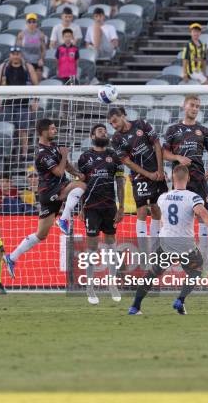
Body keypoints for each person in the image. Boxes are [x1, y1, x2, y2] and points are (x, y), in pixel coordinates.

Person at [128, 165, 208, 315]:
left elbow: (161, 220)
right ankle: (180, 300)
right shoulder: (193, 197)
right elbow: (204, 214)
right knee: (197, 270)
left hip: (166, 241)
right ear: (188, 178)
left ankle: (135, 307)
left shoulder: (162, 197)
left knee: (152, 274)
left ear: (173, 178)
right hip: (184, 242)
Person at [3, 119, 86, 277]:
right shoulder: (41, 153)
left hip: (55, 191)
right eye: (52, 129)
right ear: (43, 132)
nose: (55, 131)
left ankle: (11, 257)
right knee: (81, 186)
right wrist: (64, 155)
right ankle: (63, 219)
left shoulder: (53, 147)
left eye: (56, 128)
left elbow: (66, 166)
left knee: (41, 234)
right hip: (50, 191)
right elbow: (59, 172)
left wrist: (77, 173)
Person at [163, 95, 208, 276]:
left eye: (198, 106)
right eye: (192, 105)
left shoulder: (203, 131)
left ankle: (203, 259)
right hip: (179, 182)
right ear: (184, 106)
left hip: (199, 179)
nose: (195, 108)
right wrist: (178, 158)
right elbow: (164, 153)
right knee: (178, 219)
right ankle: (175, 257)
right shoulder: (173, 130)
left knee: (202, 217)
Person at [109, 107, 167, 263]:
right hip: (139, 176)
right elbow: (127, 161)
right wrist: (149, 174)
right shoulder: (115, 139)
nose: (113, 125)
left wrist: (160, 170)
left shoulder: (141, 124)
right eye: (111, 123)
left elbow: (156, 144)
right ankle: (143, 253)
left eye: (115, 121)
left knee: (156, 209)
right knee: (141, 211)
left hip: (157, 173)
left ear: (122, 116)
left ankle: (155, 251)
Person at [78, 123, 125, 305]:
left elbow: (120, 182)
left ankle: (112, 283)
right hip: (91, 208)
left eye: (105, 131)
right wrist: (80, 208)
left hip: (109, 207)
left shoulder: (114, 156)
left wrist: (121, 207)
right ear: (92, 136)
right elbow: (81, 185)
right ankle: (90, 286)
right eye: (100, 131)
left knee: (111, 244)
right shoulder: (84, 158)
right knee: (92, 246)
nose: (104, 133)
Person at [0, 46, 39, 158]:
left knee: (23, 129)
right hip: (8, 103)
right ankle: (8, 153)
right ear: (10, 55)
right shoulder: (4, 66)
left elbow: (36, 85)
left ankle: (23, 154)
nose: (15, 56)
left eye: (17, 53)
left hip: (23, 103)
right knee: (7, 129)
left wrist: (35, 100)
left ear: (21, 55)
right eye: (13, 54)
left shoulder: (27, 67)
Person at [16, 13, 47, 80]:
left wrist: (41, 59)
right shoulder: (21, 34)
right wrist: (22, 61)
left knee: (36, 84)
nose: (31, 24)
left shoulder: (40, 34)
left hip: (37, 62)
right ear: (26, 23)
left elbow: (43, 49)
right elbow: (18, 49)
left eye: (33, 22)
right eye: (29, 22)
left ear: (36, 23)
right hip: (25, 62)